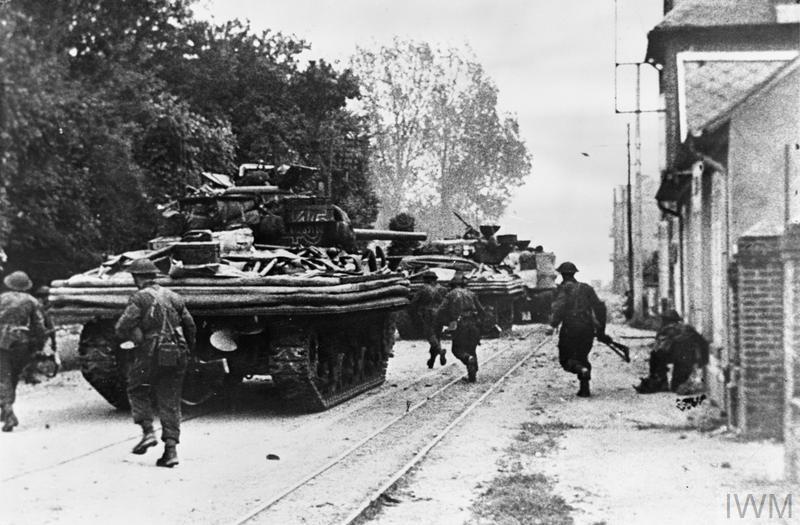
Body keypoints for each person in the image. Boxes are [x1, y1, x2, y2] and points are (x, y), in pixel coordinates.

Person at [115, 258, 196, 468]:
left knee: (136, 389)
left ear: (137, 277)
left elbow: (123, 325)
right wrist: (189, 350)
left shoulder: (139, 298)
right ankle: (171, 451)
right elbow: (190, 325)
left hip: (150, 352)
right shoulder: (175, 297)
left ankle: (148, 432)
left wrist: (134, 337)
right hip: (176, 352)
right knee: (170, 400)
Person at [545, 262, 607, 398]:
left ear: (562, 274)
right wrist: (601, 330)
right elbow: (600, 307)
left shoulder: (563, 289)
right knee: (582, 356)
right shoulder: (587, 288)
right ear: (574, 273)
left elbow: (559, 308)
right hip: (587, 329)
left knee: (566, 359)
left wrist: (552, 325)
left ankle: (582, 370)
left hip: (570, 329)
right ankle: (584, 389)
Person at [0, 271, 46, 432]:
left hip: (2, 342)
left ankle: (7, 410)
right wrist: (40, 344)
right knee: (13, 375)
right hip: (22, 342)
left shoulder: (2, 298)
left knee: (3, 376)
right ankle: (6, 406)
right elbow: (39, 326)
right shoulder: (31, 301)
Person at [634, 310, 709, 394]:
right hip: (688, 360)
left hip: (682, 360)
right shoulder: (688, 328)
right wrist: (701, 361)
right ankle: (664, 382)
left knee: (655, 356)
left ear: (666, 320)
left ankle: (659, 382)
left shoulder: (666, 330)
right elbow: (702, 343)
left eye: (663, 320)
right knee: (676, 386)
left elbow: (658, 349)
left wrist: (656, 373)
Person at [437, 273, 486, 382]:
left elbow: (441, 311)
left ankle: (468, 360)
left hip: (459, 324)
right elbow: (481, 311)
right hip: (473, 323)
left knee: (457, 349)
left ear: (452, 285)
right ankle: (472, 374)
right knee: (471, 348)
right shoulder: (471, 293)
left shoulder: (450, 295)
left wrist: (446, 322)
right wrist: (480, 324)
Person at [409, 271, 446, 369]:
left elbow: (414, 303)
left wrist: (413, 313)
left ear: (427, 279)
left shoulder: (423, 289)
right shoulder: (442, 289)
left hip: (428, 314)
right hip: (440, 313)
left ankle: (440, 351)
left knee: (430, 335)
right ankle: (432, 360)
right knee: (437, 336)